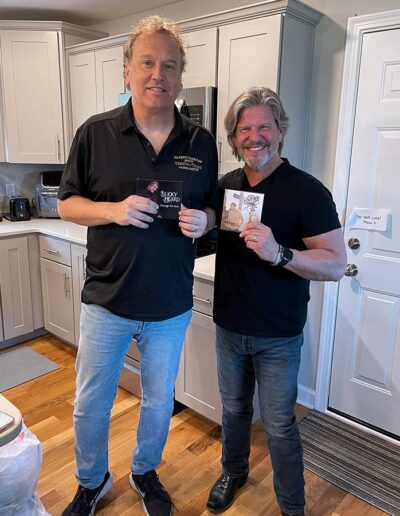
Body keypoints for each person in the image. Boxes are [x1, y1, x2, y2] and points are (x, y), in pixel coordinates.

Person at [58, 15, 218, 516]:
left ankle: (145, 471)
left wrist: (205, 219)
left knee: (158, 401)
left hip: (170, 304)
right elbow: (66, 204)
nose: (157, 74)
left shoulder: (200, 142)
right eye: (147, 62)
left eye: (169, 65)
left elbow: (214, 209)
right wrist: (114, 210)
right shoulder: (95, 132)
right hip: (107, 300)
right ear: (126, 70)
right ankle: (91, 481)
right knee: (91, 404)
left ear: (180, 75)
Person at [207, 87, 346, 516]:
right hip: (229, 326)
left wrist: (281, 253)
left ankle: (292, 507)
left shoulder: (308, 191)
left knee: (280, 425)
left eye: (264, 127)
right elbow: (209, 233)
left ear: (281, 131)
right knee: (233, 411)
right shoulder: (226, 187)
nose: (255, 137)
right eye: (244, 130)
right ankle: (233, 472)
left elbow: (335, 264)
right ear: (234, 138)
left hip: (278, 335)